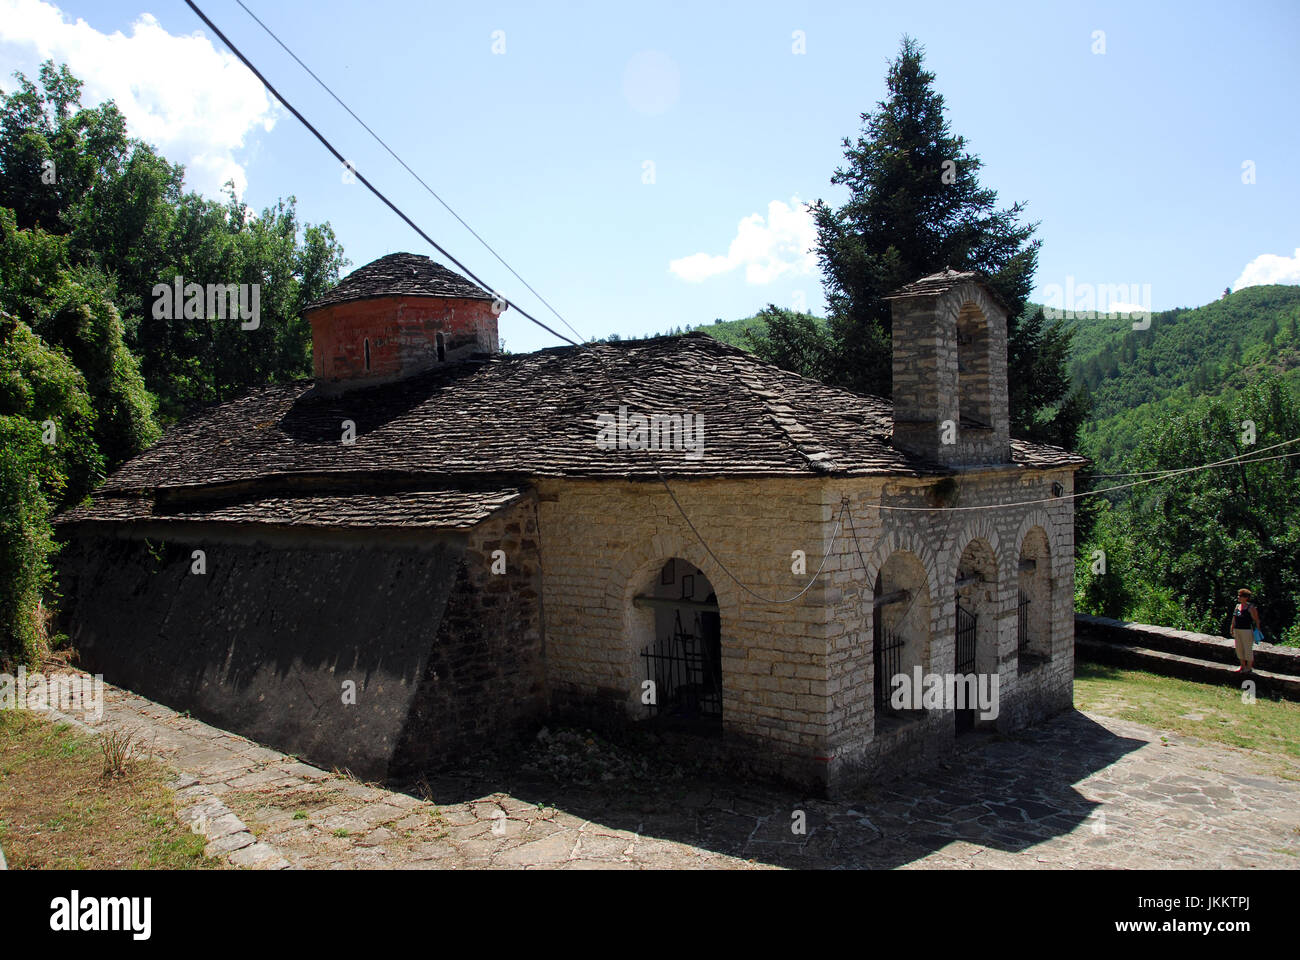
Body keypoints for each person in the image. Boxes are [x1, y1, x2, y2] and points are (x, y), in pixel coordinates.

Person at [1229, 588, 1262, 674]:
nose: (1238, 597)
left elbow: (1256, 620)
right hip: (1237, 629)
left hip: (1247, 630)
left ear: (1246, 597)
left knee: (1247, 649)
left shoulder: (1251, 607)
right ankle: (1242, 666)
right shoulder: (1237, 606)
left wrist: (1258, 631)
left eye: (1241, 596)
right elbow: (1234, 618)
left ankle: (1249, 667)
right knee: (1239, 648)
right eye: (1238, 595)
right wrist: (1232, 628)